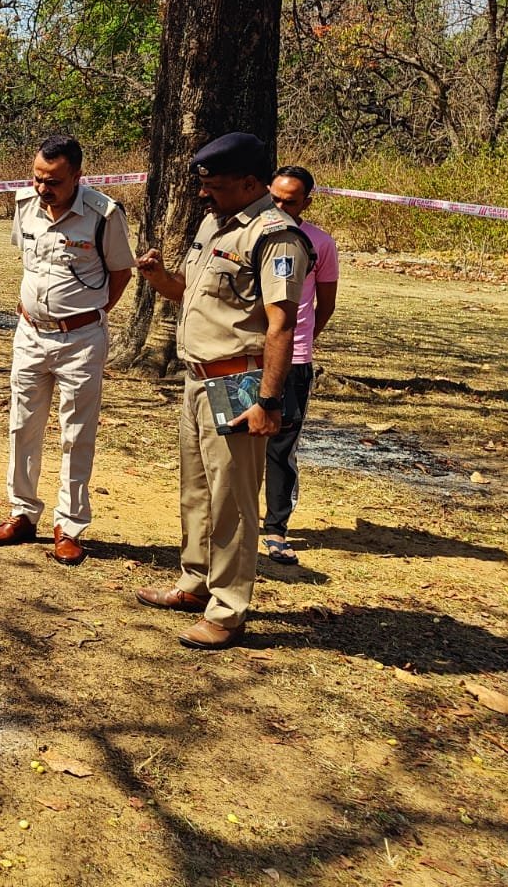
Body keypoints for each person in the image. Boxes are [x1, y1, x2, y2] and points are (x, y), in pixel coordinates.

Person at [133, 132, 311, 650]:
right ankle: (194, 582)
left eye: (214, 185)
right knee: (197, 492)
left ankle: (229, 608)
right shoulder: (215, 224)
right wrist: (158, 276)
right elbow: (188, 290)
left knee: (232, 500)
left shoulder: (276, 236)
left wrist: (269, 400)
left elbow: (281, 325)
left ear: (251, 183)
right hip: (196, 377)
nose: (203, 194)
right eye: (202, 184)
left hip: (240, 381)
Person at [0, 134, 136, 565]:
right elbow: (30, 264)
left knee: (76, 433)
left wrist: (88, 315)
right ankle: (22, 513)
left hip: (81, 341)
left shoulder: (103, 215)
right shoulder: (24, 207)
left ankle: (68, 526)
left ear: (77, 177)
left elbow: (121, 273)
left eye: (53, 180)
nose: (42, 188)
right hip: (30, 334)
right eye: (37, 178)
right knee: (22, 425)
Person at [261, 165, 339, 564]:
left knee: (281, 444)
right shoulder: (253, 233)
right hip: (244, 355)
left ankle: (275, 529)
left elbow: (324, 305)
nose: (279, 207)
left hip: (292, 360)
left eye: (289, 202)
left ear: (306, 202)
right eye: (273, 198)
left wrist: (300, 342)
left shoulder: (320, 244)